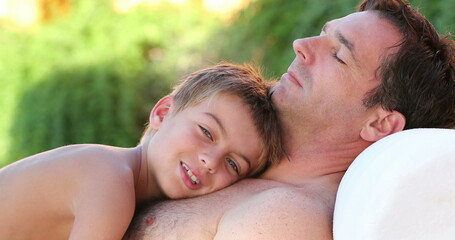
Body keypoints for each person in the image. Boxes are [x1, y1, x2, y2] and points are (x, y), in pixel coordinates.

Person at [124, 0, 455, 239]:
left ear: (379, 124)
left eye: (338, 55)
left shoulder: (284, 219)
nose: (301, 46)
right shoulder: (229, 147)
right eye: (322, 34)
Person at [0, 63, 283, 239]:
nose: (211, 161)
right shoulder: (110, 181)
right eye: (206, 132)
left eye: (233, 164)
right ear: (162, 113)